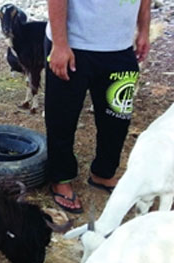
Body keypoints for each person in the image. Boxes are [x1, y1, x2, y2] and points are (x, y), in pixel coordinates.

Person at [45, 0, 151, 213]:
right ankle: (61, 178)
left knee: (117, 118)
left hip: (120, 47)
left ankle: (103, 173)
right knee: (62, 118)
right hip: (74, 44)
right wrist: (60, 44)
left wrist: (144, 30)